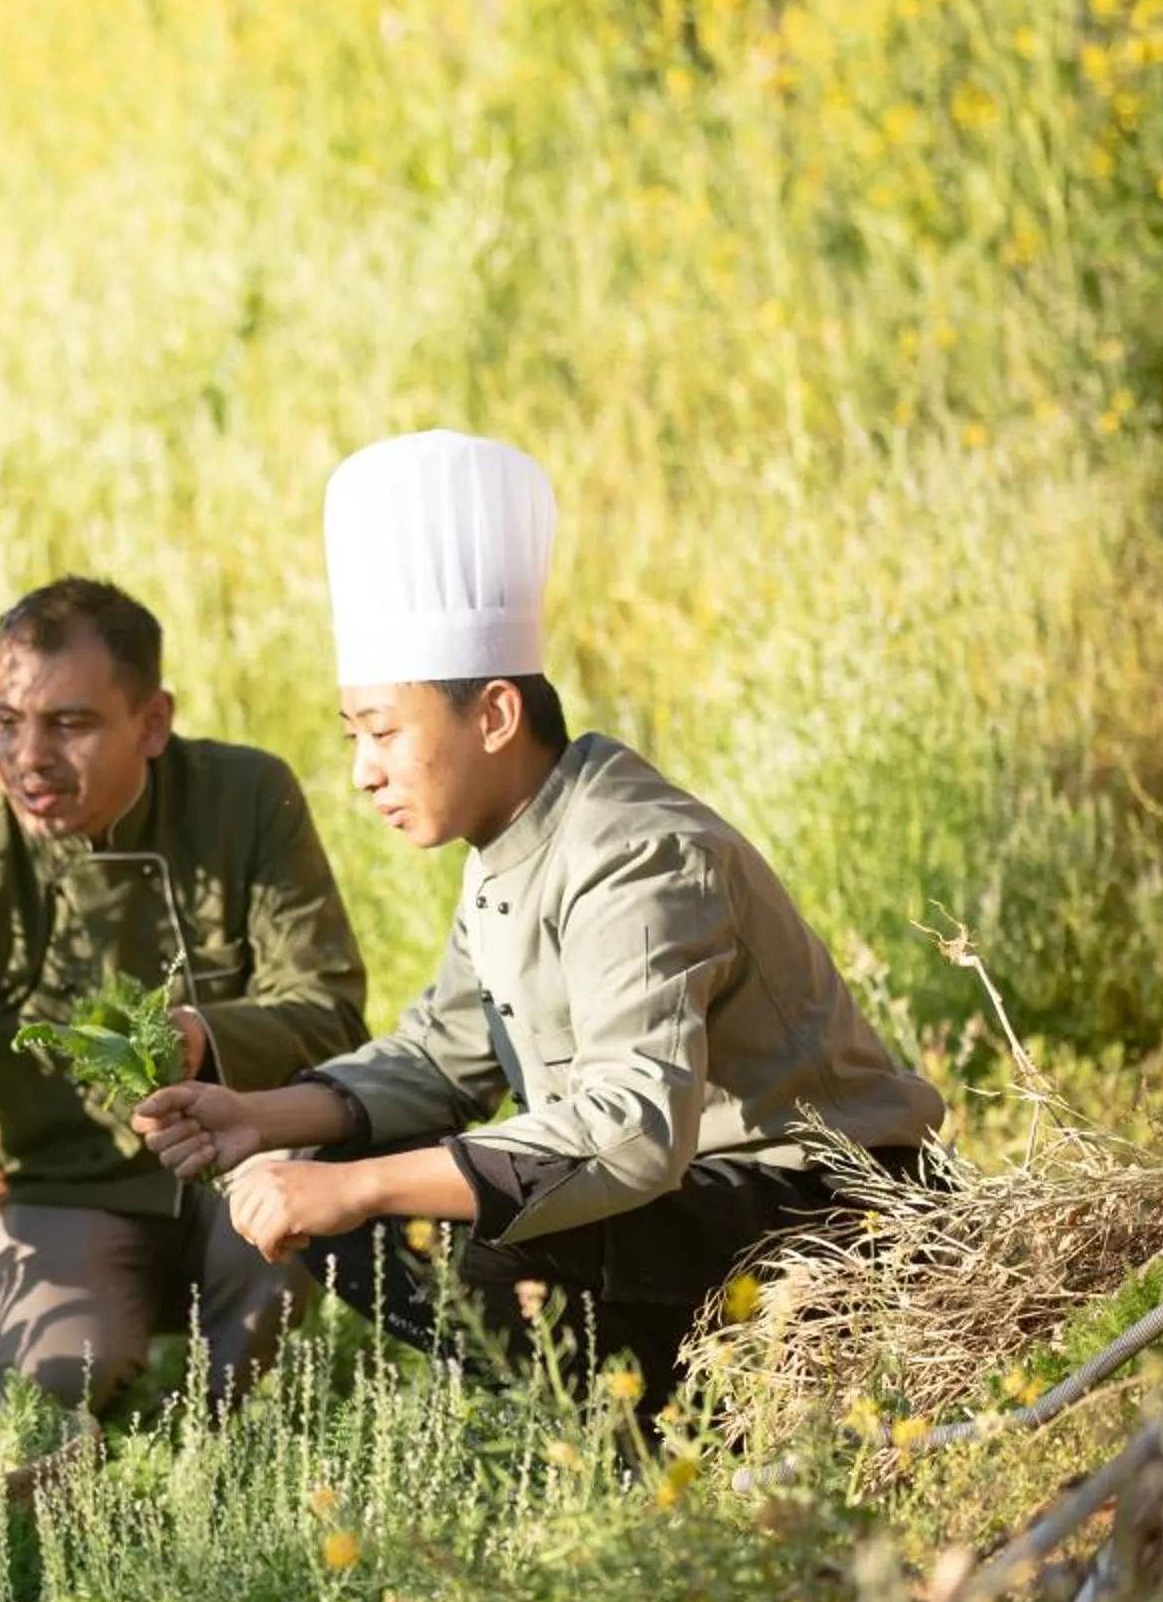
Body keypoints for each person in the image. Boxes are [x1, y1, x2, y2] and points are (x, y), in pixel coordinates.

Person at [135, 431, 944, 1411]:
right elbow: (441, 1057)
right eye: (353, 737)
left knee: (388, 1208)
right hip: (694, 1206)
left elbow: (634, 1129)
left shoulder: (634, 850)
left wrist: (363, 1188)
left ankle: (679, 1418)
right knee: (337, 1175)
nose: (362, 771)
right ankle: (654, 1424)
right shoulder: (507, 846)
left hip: (823, 1209)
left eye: (385, 732)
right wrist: (258, 1115)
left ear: (495, 715)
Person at [0, 577, 370, 1411]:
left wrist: (201, 1039)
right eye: (6, 721)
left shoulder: (244, 803)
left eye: (69, 724)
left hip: (237, 1157)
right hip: (56, 1188)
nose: (29, 759)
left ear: (152, 723)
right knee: (57, 1385)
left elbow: (328, 1008)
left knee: (270, 1302)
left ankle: (233, 1444)